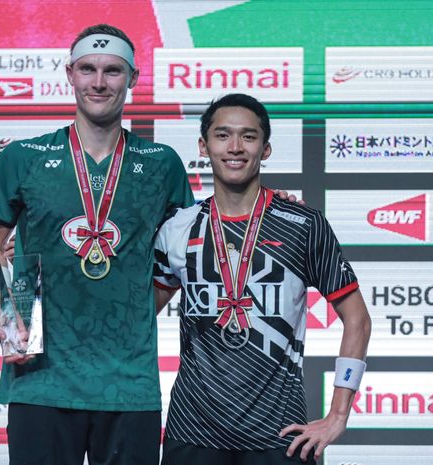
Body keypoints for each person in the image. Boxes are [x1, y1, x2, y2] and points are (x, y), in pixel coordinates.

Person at [0, 24, 194, 465]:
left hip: (128, 383)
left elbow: (183, 255)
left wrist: (133, 307)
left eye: (113, 71)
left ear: (132, 78)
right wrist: (5, 309)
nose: (99, 82)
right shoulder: (23, 157)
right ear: (69, 74)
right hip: (39, 378)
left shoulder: (162, 164)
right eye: (88, 69)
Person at [153, 93, 372, 465]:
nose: (235, 147)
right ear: (203, 147)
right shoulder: (177, 227)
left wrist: (338, 416)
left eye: (248, 137)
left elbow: (358, 320)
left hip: (280, 436)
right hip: (192, 432)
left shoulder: (303, 225)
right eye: (223, 136)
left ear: (265, 149)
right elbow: (137, 316)